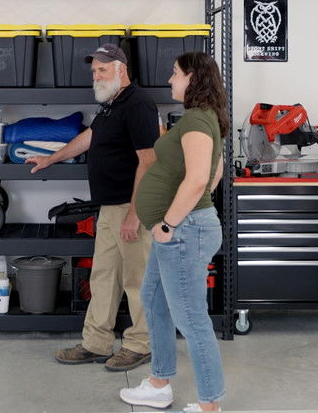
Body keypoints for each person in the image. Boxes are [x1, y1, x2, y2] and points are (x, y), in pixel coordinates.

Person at [27, 44, 159, 371]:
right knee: (103, 277)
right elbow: (90, 137)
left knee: (137, 280)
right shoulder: (111, 105)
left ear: (120, 68)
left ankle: (140, 345)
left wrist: (134, 214)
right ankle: (96, 342)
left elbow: (149, 161)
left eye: (102, 69)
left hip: (132, 207)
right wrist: (51, 158)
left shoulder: (138, 104)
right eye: (94, 71)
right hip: (109, 207)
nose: (96, 76)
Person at [120, 52, 227, 412]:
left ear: (193, 77)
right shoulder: (202, 119)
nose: (170, 80)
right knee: (153, 301)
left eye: (175, 74)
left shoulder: (197, 119)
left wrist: (169, 222)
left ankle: (210, 404)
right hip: (184, 228)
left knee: (192, 319)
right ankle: (158, 382)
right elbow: (215, 169)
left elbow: (200, 178)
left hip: (182, 232)